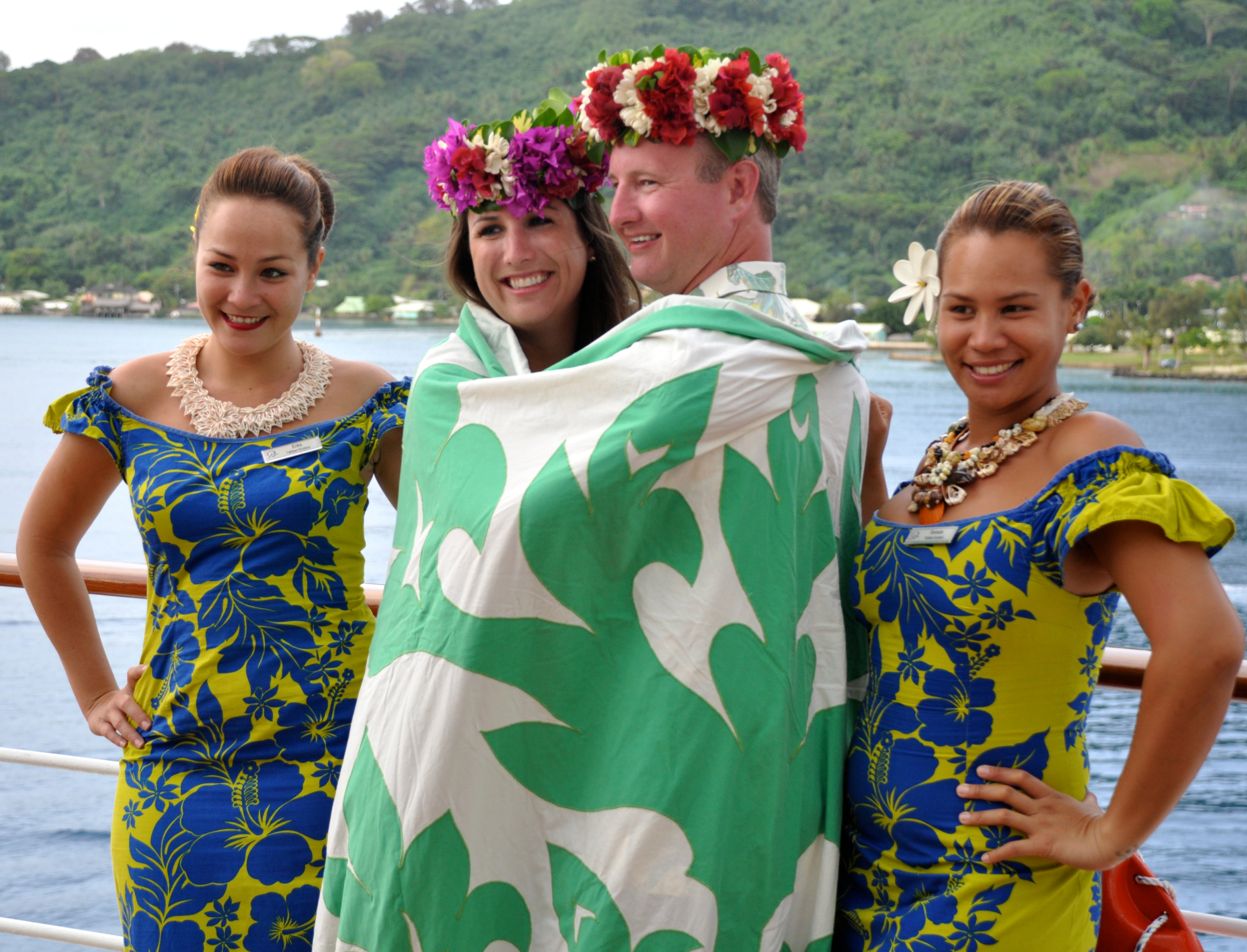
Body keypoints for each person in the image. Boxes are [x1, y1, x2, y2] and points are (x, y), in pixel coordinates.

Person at [315, 54, 872, 949]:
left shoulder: (733, 363)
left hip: (675, 766)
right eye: (488, 227)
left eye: (644, 184)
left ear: (737, 188)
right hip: (526, 769)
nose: (620, 212)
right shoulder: (466, 389)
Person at [16, 145, 408, 951]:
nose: (241, 295)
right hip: (178, 759)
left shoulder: (370, 401)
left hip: (332, 760)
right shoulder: (127, 397)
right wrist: (94, 692)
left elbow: (454, 551)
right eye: (221, 265)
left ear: (314, 266)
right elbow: (43, 543)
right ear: (193, 253)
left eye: (272, 271)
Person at [835, 181, 1245, 949]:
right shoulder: (943, 457)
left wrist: (1109, 834)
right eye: (961, 309)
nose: (984, 337)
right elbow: (905, 610)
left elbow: (1208, 645)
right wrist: (869, 477)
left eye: (1014, 308)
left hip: (1001, 894)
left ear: (1076, 305)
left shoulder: (1093, 459)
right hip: (872, 876)